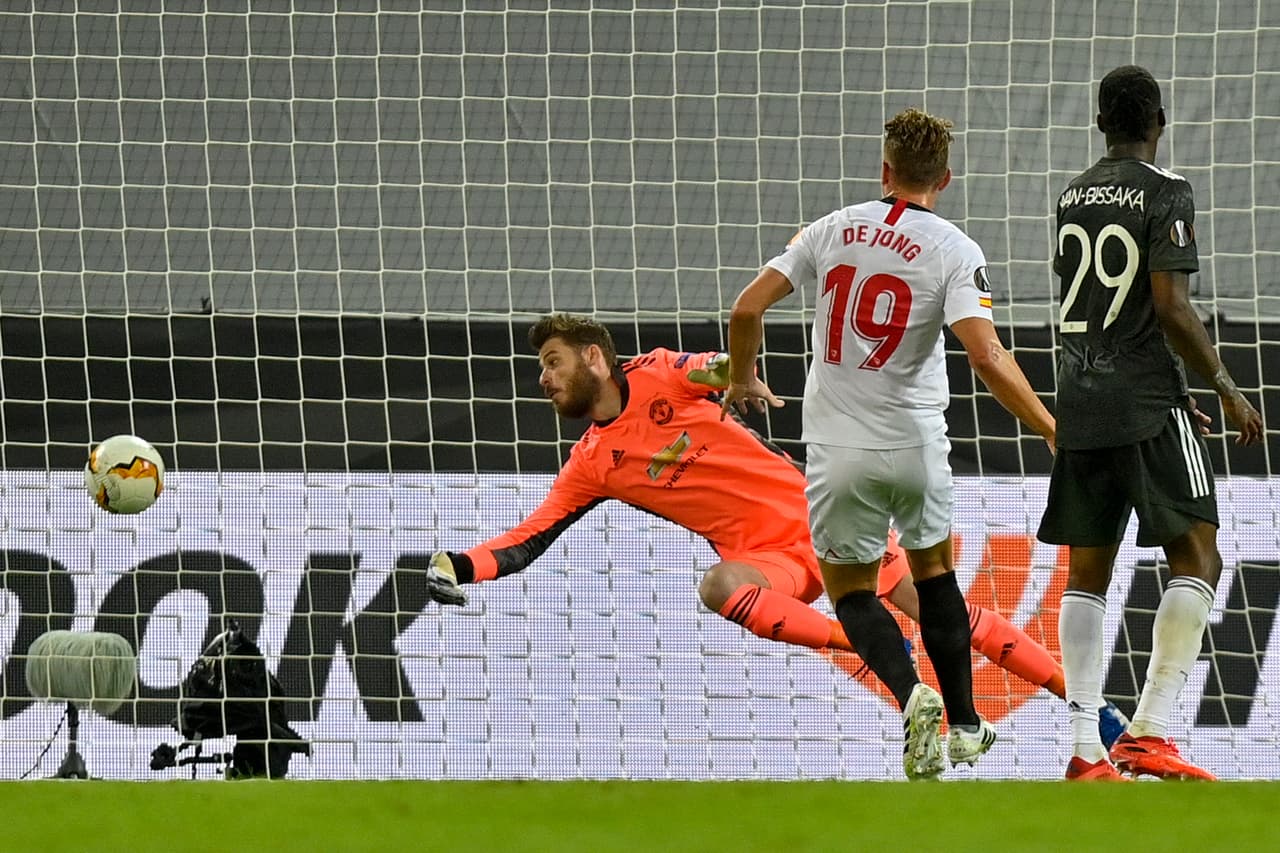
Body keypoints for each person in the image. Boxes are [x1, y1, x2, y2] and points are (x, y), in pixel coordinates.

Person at [423, 314, 1118, 778]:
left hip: (827, 518)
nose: (542, 377)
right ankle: (888, 659)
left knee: (955, 617)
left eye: (552, 361)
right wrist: (459, 564)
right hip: (776, 560)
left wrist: (740, 373)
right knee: (719, 585)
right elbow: (528, 539)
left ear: (595, 358)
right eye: (540, 367)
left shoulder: (662, 372)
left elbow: (718, 366)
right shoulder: (592, 462)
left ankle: (1096, 710)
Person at [722, 108, 1057, 780]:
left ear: (885, 172)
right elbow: (985, 354)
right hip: (915, 444)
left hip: (837, 450)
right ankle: (964, 724)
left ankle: (914, 695)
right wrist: (1050, 425)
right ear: (947, 178)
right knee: (935, 579)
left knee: (852, 592)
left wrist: (741, 376)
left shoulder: (830, 228)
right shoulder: (956, 249)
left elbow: (746, 309)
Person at [1037, 65, 1264, 782]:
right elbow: (1168, 306)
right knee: (1199, 556)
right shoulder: (1166, 191)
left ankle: (1082, 745)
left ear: (1100, 121)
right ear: (1158, 119)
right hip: (1143, 401)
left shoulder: (1072, 196)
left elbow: (1107, 306)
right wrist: (1224, 386)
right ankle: (1150, 730)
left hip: (1080, 400)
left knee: (1087, 573)